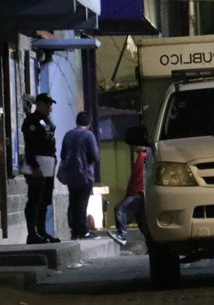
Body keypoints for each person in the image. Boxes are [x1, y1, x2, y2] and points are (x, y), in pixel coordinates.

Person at [21, 93, 59, 244]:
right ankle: (32, 233)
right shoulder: (32, 121)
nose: (50, 107)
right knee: (35, 199)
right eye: (47, 104)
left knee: (45, 199)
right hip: (36, 162)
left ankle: (42, 231)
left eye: (51, 104)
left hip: (48, 161)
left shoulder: (45, 120)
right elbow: (30, 146)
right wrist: (34, 166)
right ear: (40, 104)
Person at [57, 111, 101, 240]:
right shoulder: (88, 135)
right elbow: (95, 156)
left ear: (77, 121)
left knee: (73, 201)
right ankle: (83, 231)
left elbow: (63, 155)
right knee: (82, 202)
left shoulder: (68, 135)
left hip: (71, 175)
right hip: (86, 174)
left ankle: (74, 230)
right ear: (89, 123)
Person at [110, 146, 147, 245]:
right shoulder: (143, 156)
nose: (132, 146)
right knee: (142, 223)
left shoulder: (143, 156)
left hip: (139, 193)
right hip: (141, 193)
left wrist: (131, 193)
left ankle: (122, 234)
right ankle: (152, 244)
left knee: (120, 209)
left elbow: (138, 178)